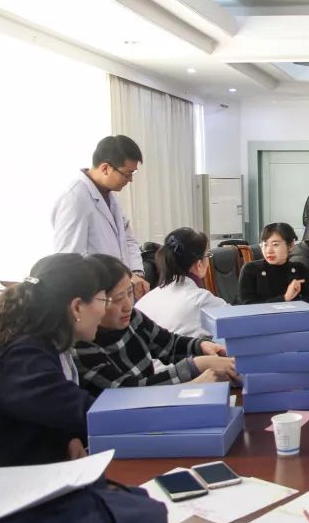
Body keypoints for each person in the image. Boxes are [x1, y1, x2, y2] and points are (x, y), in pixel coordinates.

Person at [0, 254, 107, 494]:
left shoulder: (31, 342)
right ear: (76, 306)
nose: (104, 310)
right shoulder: (23, 355)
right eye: (104, 299)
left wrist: (67, 437)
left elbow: (47, 407)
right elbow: (82, 410)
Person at [73, 254, 236, 396]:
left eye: (129, 293)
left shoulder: (132, 317)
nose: (128, 305)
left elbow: (168, 344)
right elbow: (128, 394)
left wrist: (201, 346)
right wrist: (195, 367)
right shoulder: (82, 347)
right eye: (117, 299)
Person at [51, 135, 150, 298]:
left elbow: (128, 239)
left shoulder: (110, 197)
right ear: (105, 168)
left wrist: (136, 273)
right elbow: (69, 260)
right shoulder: (74, 199)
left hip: (118, 292)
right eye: (127, 174)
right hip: (95, 295)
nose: (130, 180)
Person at [133, 227, 226, 337]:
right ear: (199, 264)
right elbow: (237, 323)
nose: (208, 260)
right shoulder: (202, 300)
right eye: (207, 255)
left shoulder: (144, 301)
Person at [239, 222, 307, 305]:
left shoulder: (299, 268)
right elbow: (247, 305)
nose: (269, 251)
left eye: (275, 245)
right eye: (265, 245)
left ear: (290, 246)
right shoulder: (250, 270)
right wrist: (285, 298)